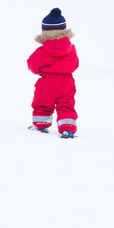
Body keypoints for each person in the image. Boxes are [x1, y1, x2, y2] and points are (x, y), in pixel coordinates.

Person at [27, 8, 79, 138]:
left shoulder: (42, 51)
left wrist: (41, 70)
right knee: (66, 106)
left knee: (43, 103)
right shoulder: (71, 49)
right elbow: (75, 63)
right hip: (67, 83)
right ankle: (68, 129)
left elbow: (32, 64)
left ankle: (40, 124)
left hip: (47, 82)